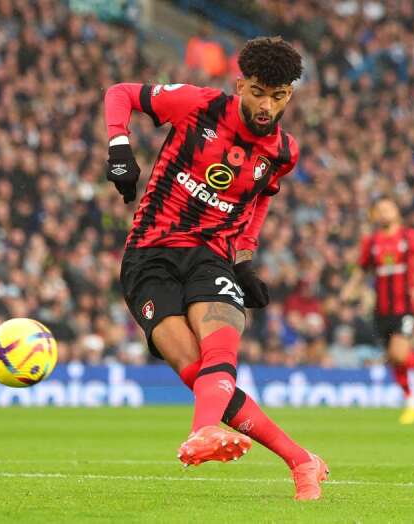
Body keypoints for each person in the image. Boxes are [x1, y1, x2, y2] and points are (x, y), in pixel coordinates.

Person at [104, 36, 327, 500]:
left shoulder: (284, 153)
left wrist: (243, 259)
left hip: (211, 256)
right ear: (240, 83)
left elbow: (262, 199)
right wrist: (120, 147)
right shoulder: (196, 105)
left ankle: (203, 432)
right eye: (259, 92)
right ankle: (301, 460)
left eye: (280, 95)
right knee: (194, 368)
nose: (268, 105)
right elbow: (120, 93)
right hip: (150, 254)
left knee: (220, 353)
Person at [342, 198, 414, 424]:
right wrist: (349, 289)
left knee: (398, 353)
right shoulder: (372, 242)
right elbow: (361, 270)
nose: (384, 213)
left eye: (388, 208)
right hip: (381, 309)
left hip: (405, 306)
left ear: (397, 212)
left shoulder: (409, 237)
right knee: (394, 359)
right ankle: (412, 402)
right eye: (380, 210)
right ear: (375, 215)